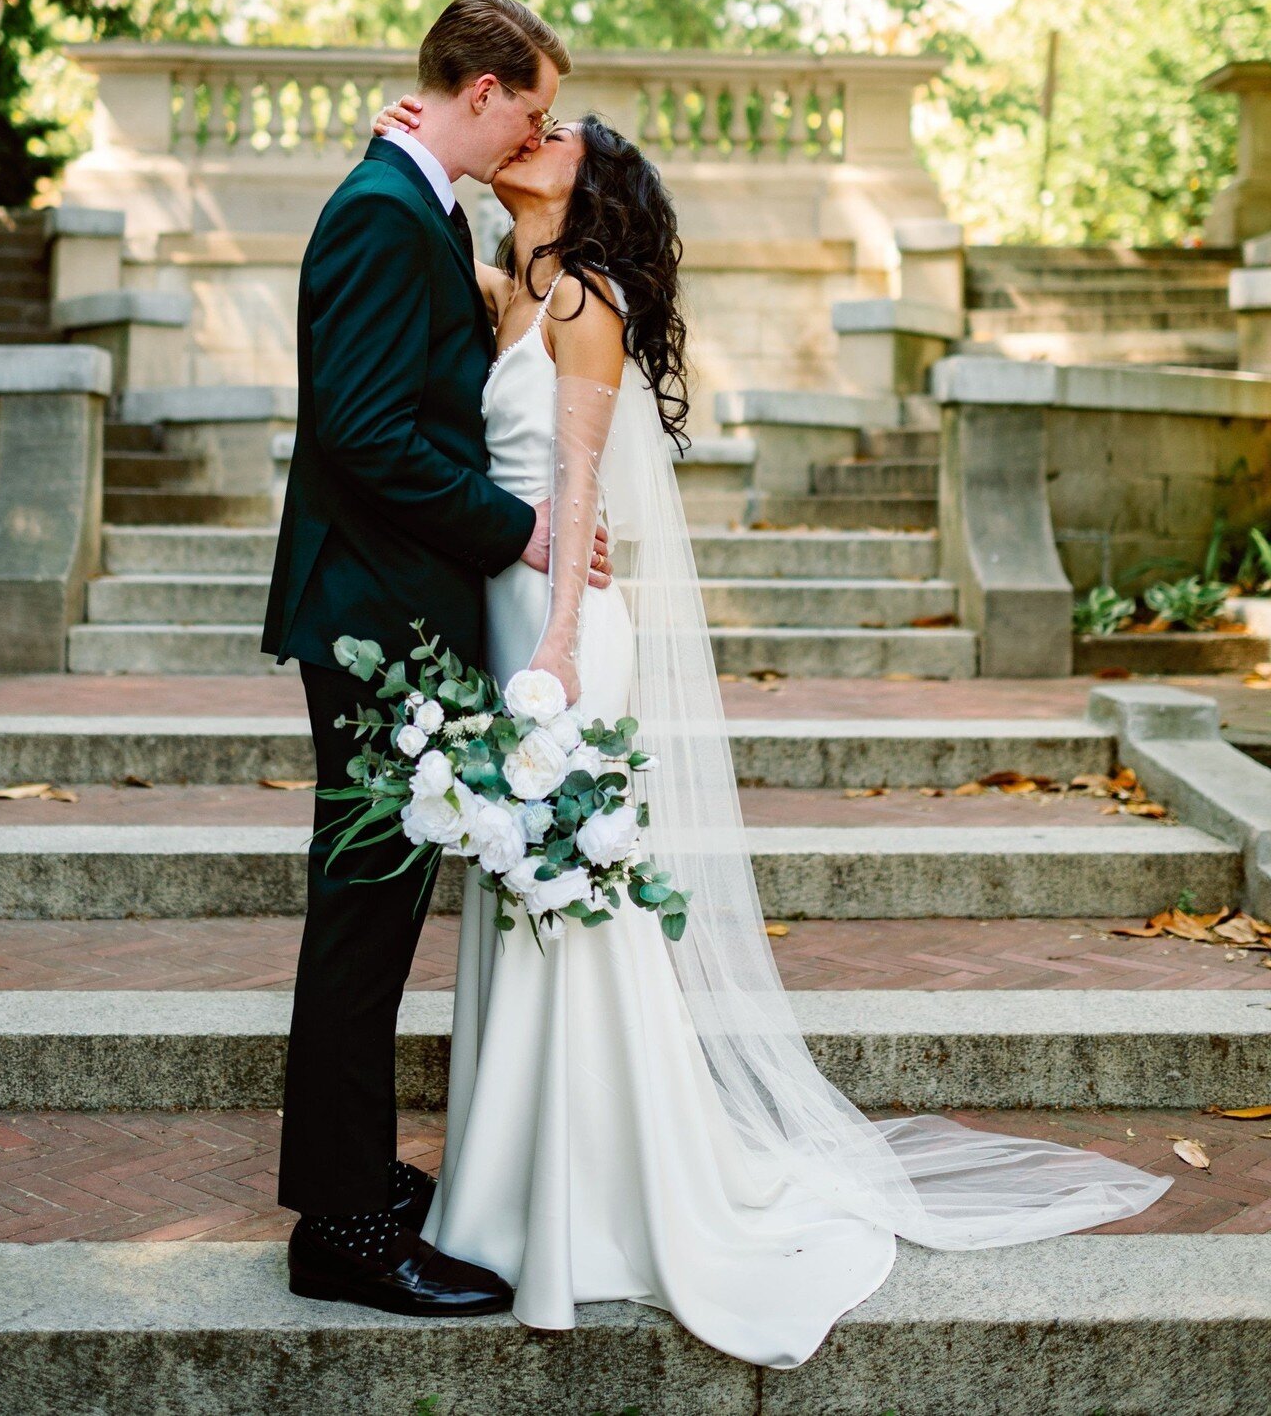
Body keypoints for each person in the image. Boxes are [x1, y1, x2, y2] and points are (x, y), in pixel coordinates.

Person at [365, 92, 1176, 1368]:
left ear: (592, 187)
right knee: (528, 901)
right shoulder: (511, 274)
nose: (533, 136)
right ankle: (514, 1190)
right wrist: (403, 141)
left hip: (563, 629)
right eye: (528, 121)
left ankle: (589, 1205)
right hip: (506, 614)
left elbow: (577, 482)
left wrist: (564, 655)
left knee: (572, 902)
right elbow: (418, 215)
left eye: (558, 134)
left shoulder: (582, 299)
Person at [261, 0, 614, 1318]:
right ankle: (342, 1228)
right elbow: (362, 431)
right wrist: (519, 530)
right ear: (480, 94)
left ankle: (352, 1176)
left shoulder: (419, 202)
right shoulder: (378, 211)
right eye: (527, 105)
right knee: (360, 923)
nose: (534, 128)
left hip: (395, 617)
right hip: (373, 625)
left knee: (380, 913)